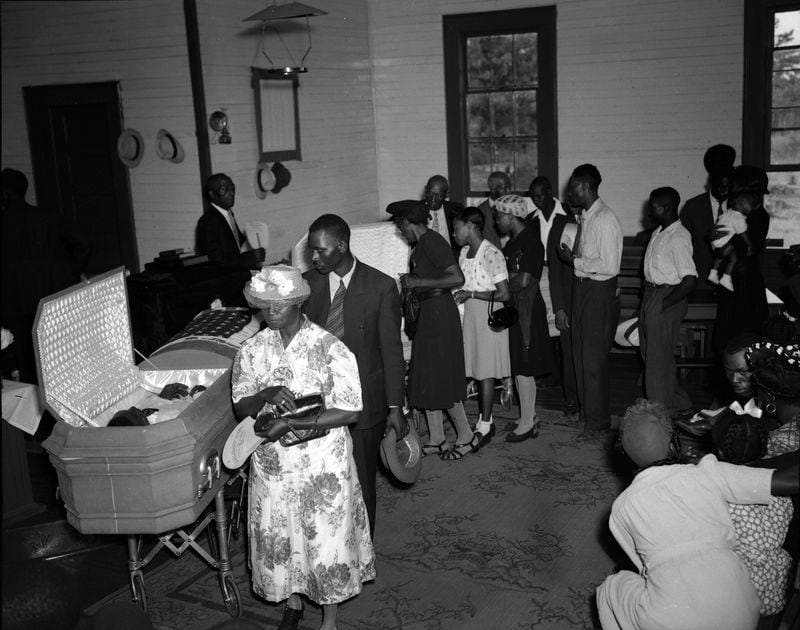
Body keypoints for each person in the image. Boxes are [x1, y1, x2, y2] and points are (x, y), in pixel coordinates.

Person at [231, 265, 375, 630]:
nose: (270, 311)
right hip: (274, 465)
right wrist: (263, 394)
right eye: (265, 305)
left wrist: (292, 422)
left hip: (321, 465)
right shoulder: (251, 350)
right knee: (282, 534)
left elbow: (349, 408)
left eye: (279, 304)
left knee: (323, 539)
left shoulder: (329, 348)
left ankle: (329, 617)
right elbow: (240, 406)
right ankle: (293, 601)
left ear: (298, 302)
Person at [596, 398, 799, 630]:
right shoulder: (707, 472)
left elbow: (641, 567)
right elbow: (786, 481)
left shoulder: (622, 507)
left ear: (623, 453)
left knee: (612, 587)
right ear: (674, 445)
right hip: (743, 609)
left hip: (670, 618)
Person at [303, 214, 407, 537]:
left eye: (320, 251)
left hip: (363, 403)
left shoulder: (381, 287)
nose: (314, 258)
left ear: (342, 246)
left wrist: (395, 407)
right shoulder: (306, 285)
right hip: (317, 402)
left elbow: (391, 352)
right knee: (321, 483)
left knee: (361, 482)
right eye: (312, 251)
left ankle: (362, 551)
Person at [387, 200, 473, 460]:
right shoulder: (420, 245)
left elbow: (458, 278)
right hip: (428, 313)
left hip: (439, 314)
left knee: (442, 375)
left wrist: (418, 281)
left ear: (406, 222)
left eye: (399, 226)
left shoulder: (433, 242)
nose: (399, 232)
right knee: (427, 376)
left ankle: (466, 435)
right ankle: (437, 439)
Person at [1, 167, 90, 383]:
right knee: (62, 360)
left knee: (28, 367)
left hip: (16, 307)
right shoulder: (49, 216)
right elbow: (84, 245)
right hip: (51, 300)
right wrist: (68, 273)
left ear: (4, 194)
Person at [558, 164, 623, 431]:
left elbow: (609, 265)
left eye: (572, 189)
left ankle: (597, 421)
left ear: (585, 187)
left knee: (593, 358)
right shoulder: (586, 217)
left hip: (598, 291)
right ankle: (588, 414)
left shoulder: (605, 219)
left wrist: (573, 260)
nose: (569, 194)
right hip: (583, 287)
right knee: (579, 354)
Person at [494, 194, 555, 441]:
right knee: (519, 363)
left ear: (511, 215)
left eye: (499, 216)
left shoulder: (531, 242)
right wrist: (509, 279)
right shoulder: (511, 244)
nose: (497, 221)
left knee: (525, 365)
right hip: (515, 307)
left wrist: (504, 280)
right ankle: (528, 415)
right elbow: (512, 279)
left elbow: (525, 280)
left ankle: (528, 423)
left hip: (527, 310)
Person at [451, 206, 511, 449]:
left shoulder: (491, 253)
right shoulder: (464, 252)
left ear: (470, 226)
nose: (454, 234)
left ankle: (485, 423)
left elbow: (505, 293)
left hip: (489, 316)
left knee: (485, 372)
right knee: (475, 368)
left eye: (457, 229)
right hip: (470, 315)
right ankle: (487, 419)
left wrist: (472, 294)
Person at [639, 187, 697, 414]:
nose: (649, 211)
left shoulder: (679, 237)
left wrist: (662, 305)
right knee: (652, 355)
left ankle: (657, 412)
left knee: (656, 360)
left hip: (666, 296)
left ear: (667, 207)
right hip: (652, 294)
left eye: (653, 207)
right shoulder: (659, 232)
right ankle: (678, 403)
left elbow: (689, 280)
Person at [532, 176, 578, 414]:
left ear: (549, 192)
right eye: (533, 197)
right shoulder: (533, 219)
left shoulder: (567, 216)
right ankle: (553, 374)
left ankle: (568, 379)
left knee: (563, 327)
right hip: (542, 274)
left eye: (539, 195)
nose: (536, 200)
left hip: (562, 274)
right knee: (546, 326)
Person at [680, 144, 736, 281]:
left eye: (729, 187)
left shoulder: (738, 205)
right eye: (721, 187)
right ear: (710, 184)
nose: (725, 192)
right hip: (701, 278)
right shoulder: (692, 206)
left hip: (732, 279)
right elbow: (683, 244)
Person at [196, 173, 250, 263]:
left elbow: (236, 243)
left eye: (232, 188)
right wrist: (246, 259)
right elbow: (214, 261)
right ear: (212, 194)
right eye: (224, 189)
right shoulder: (207, 222)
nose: (231, 193)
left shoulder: (228, 214)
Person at [708, 204, 752, 292]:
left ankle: (713, 272)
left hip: (716, 244)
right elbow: (742, 233)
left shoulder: (726, 213)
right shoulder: (738, 217)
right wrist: (749, 244)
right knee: (733, 259)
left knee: (719, 257)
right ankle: (726, 277)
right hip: (724, 243)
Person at [422, 175, 464, 251]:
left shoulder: (456, 209)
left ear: (446, 194)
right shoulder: (416, 210)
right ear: (425, 190)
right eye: (430, 194)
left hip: (450, 258)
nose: (433, 199)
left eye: (439, 195)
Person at [475, 171, 508, 249]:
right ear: (493, 189)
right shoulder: (480, 211)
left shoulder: (512, 207)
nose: (509, 191)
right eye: (505, 188)